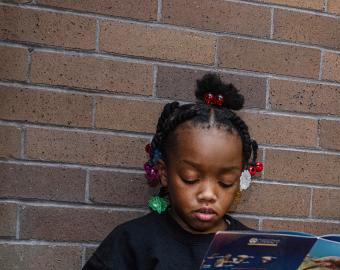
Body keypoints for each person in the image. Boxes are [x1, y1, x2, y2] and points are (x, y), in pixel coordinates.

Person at [83, 74, 264, 270]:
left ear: (240, 180)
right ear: (163, 173)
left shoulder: (256, 249)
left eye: (226, 182)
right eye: (191, 178)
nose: (208, 194)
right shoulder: (132, 242)